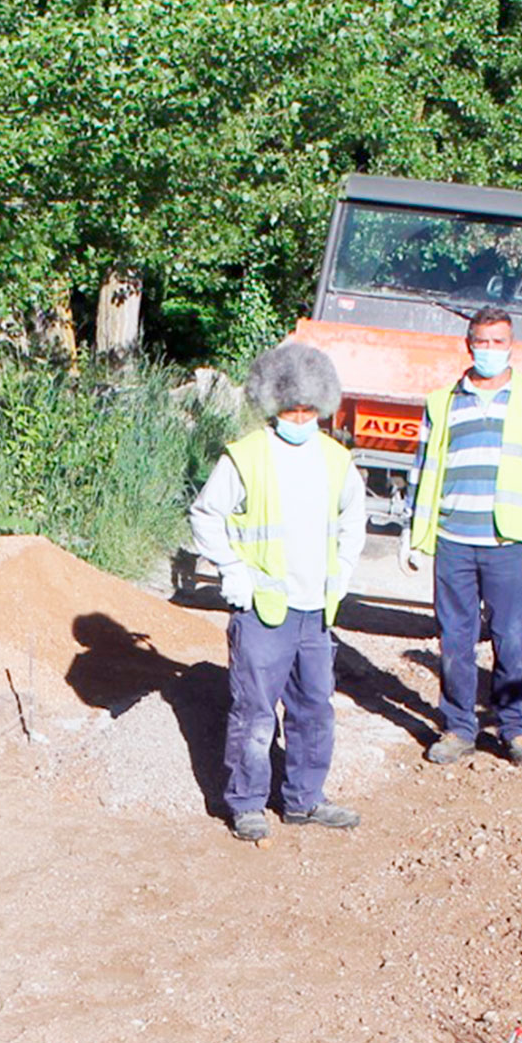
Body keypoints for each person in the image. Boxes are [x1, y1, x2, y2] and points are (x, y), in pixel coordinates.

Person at [190, 342, 367, 842]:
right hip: (265, 608)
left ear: (322, 406)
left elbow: (354, 517)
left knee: (315, 708)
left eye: (309, 409)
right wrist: (231, 567)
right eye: (291, 409)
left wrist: (345, 570)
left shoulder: (336, 459)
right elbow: (206, 514)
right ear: (273, 405)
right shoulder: (246, 456)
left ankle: (305, 800)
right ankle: (246, 804)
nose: (300, 417)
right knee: (255, 711)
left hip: (316, 611)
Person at [403, 307, 522, 767]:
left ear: (511, 346)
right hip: (455, 538)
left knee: (511, 637)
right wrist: (411, 533)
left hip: (509, 543)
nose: (490, 350)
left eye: (499, 342)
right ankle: (457, 728)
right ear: (468, 344)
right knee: (455, 639)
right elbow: (423, 470)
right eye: (482, 342)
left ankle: (514, 728)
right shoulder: (443, 402)